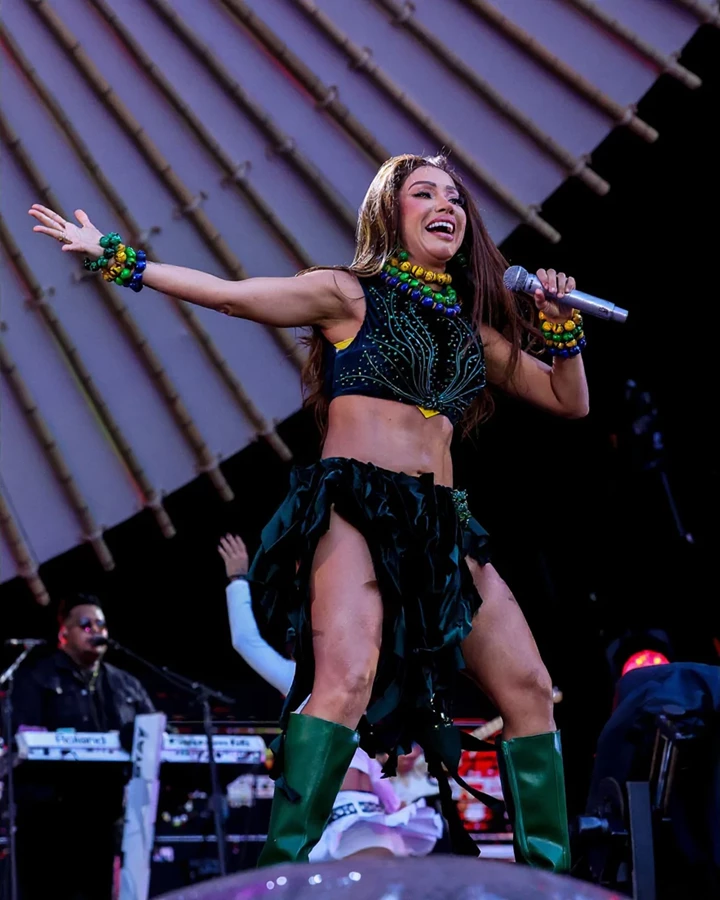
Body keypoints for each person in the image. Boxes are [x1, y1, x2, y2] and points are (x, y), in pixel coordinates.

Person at [29, 152, 589, 872]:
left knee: (530, 688)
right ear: (392, 214)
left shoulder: (472, 333)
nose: (446, 203)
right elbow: (233, 295)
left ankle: (548, 880)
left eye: (455, 195)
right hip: (358, 505)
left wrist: (563, 329)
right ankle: (280, 870)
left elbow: (570, 401)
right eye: (424, 193)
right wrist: (117, 258)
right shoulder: (347, 295)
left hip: (441, 525)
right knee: (345, 682)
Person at [218, 532, 443, 861]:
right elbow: (246, 641)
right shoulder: (304, 684)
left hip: (377, 815)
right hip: (342, 823)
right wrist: (238, 579)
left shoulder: (368, 683)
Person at [10, 593, 155, 900]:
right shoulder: (35, 678)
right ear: (64, 633)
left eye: (101, 624)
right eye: (85, 625)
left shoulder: (125, 684)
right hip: (48, 824)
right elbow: (20, 737)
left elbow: (157, 733)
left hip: (105, 820)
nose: (96, 631)